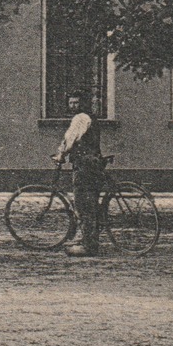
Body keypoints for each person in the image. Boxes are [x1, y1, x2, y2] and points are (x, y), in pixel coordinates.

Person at [55, 89, 106, 256]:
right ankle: (91, 241)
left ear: (82, 103)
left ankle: (88, 246)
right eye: (70, 103)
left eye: (76, 102)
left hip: (85, 166)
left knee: (84, 204)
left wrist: (61, 154)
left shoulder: (81, 118)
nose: (73, 106)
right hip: (93, 163)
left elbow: (70, 139)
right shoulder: (90, 117)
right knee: (91, 203)